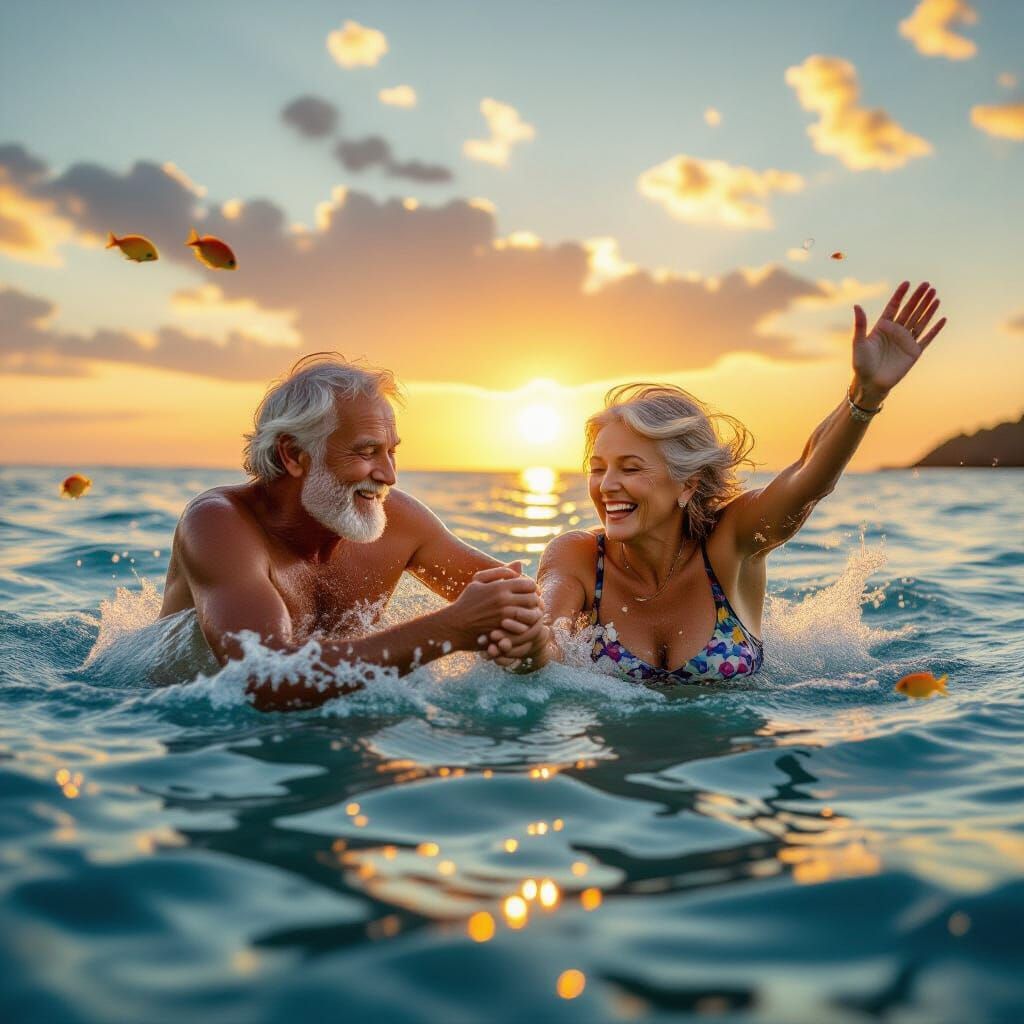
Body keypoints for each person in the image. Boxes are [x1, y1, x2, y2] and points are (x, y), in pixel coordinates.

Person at [521, 280, 946, 683]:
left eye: (631, 468)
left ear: (687, 484)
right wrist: (524, 641)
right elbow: (549, 638)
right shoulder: (577, 556)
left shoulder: (732, 541)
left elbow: (805, 478)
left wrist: (866, 394)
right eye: (598, 469)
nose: (607, 485)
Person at [159, 353, 550, 710]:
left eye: (391, 451)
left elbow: (524, 606)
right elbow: (263, 679)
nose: (389, 475)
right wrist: (450, 629)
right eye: (366, 452)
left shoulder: (399, 521)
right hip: (200, 740)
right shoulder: (218, 525)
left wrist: (529, 641)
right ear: (292, 455)